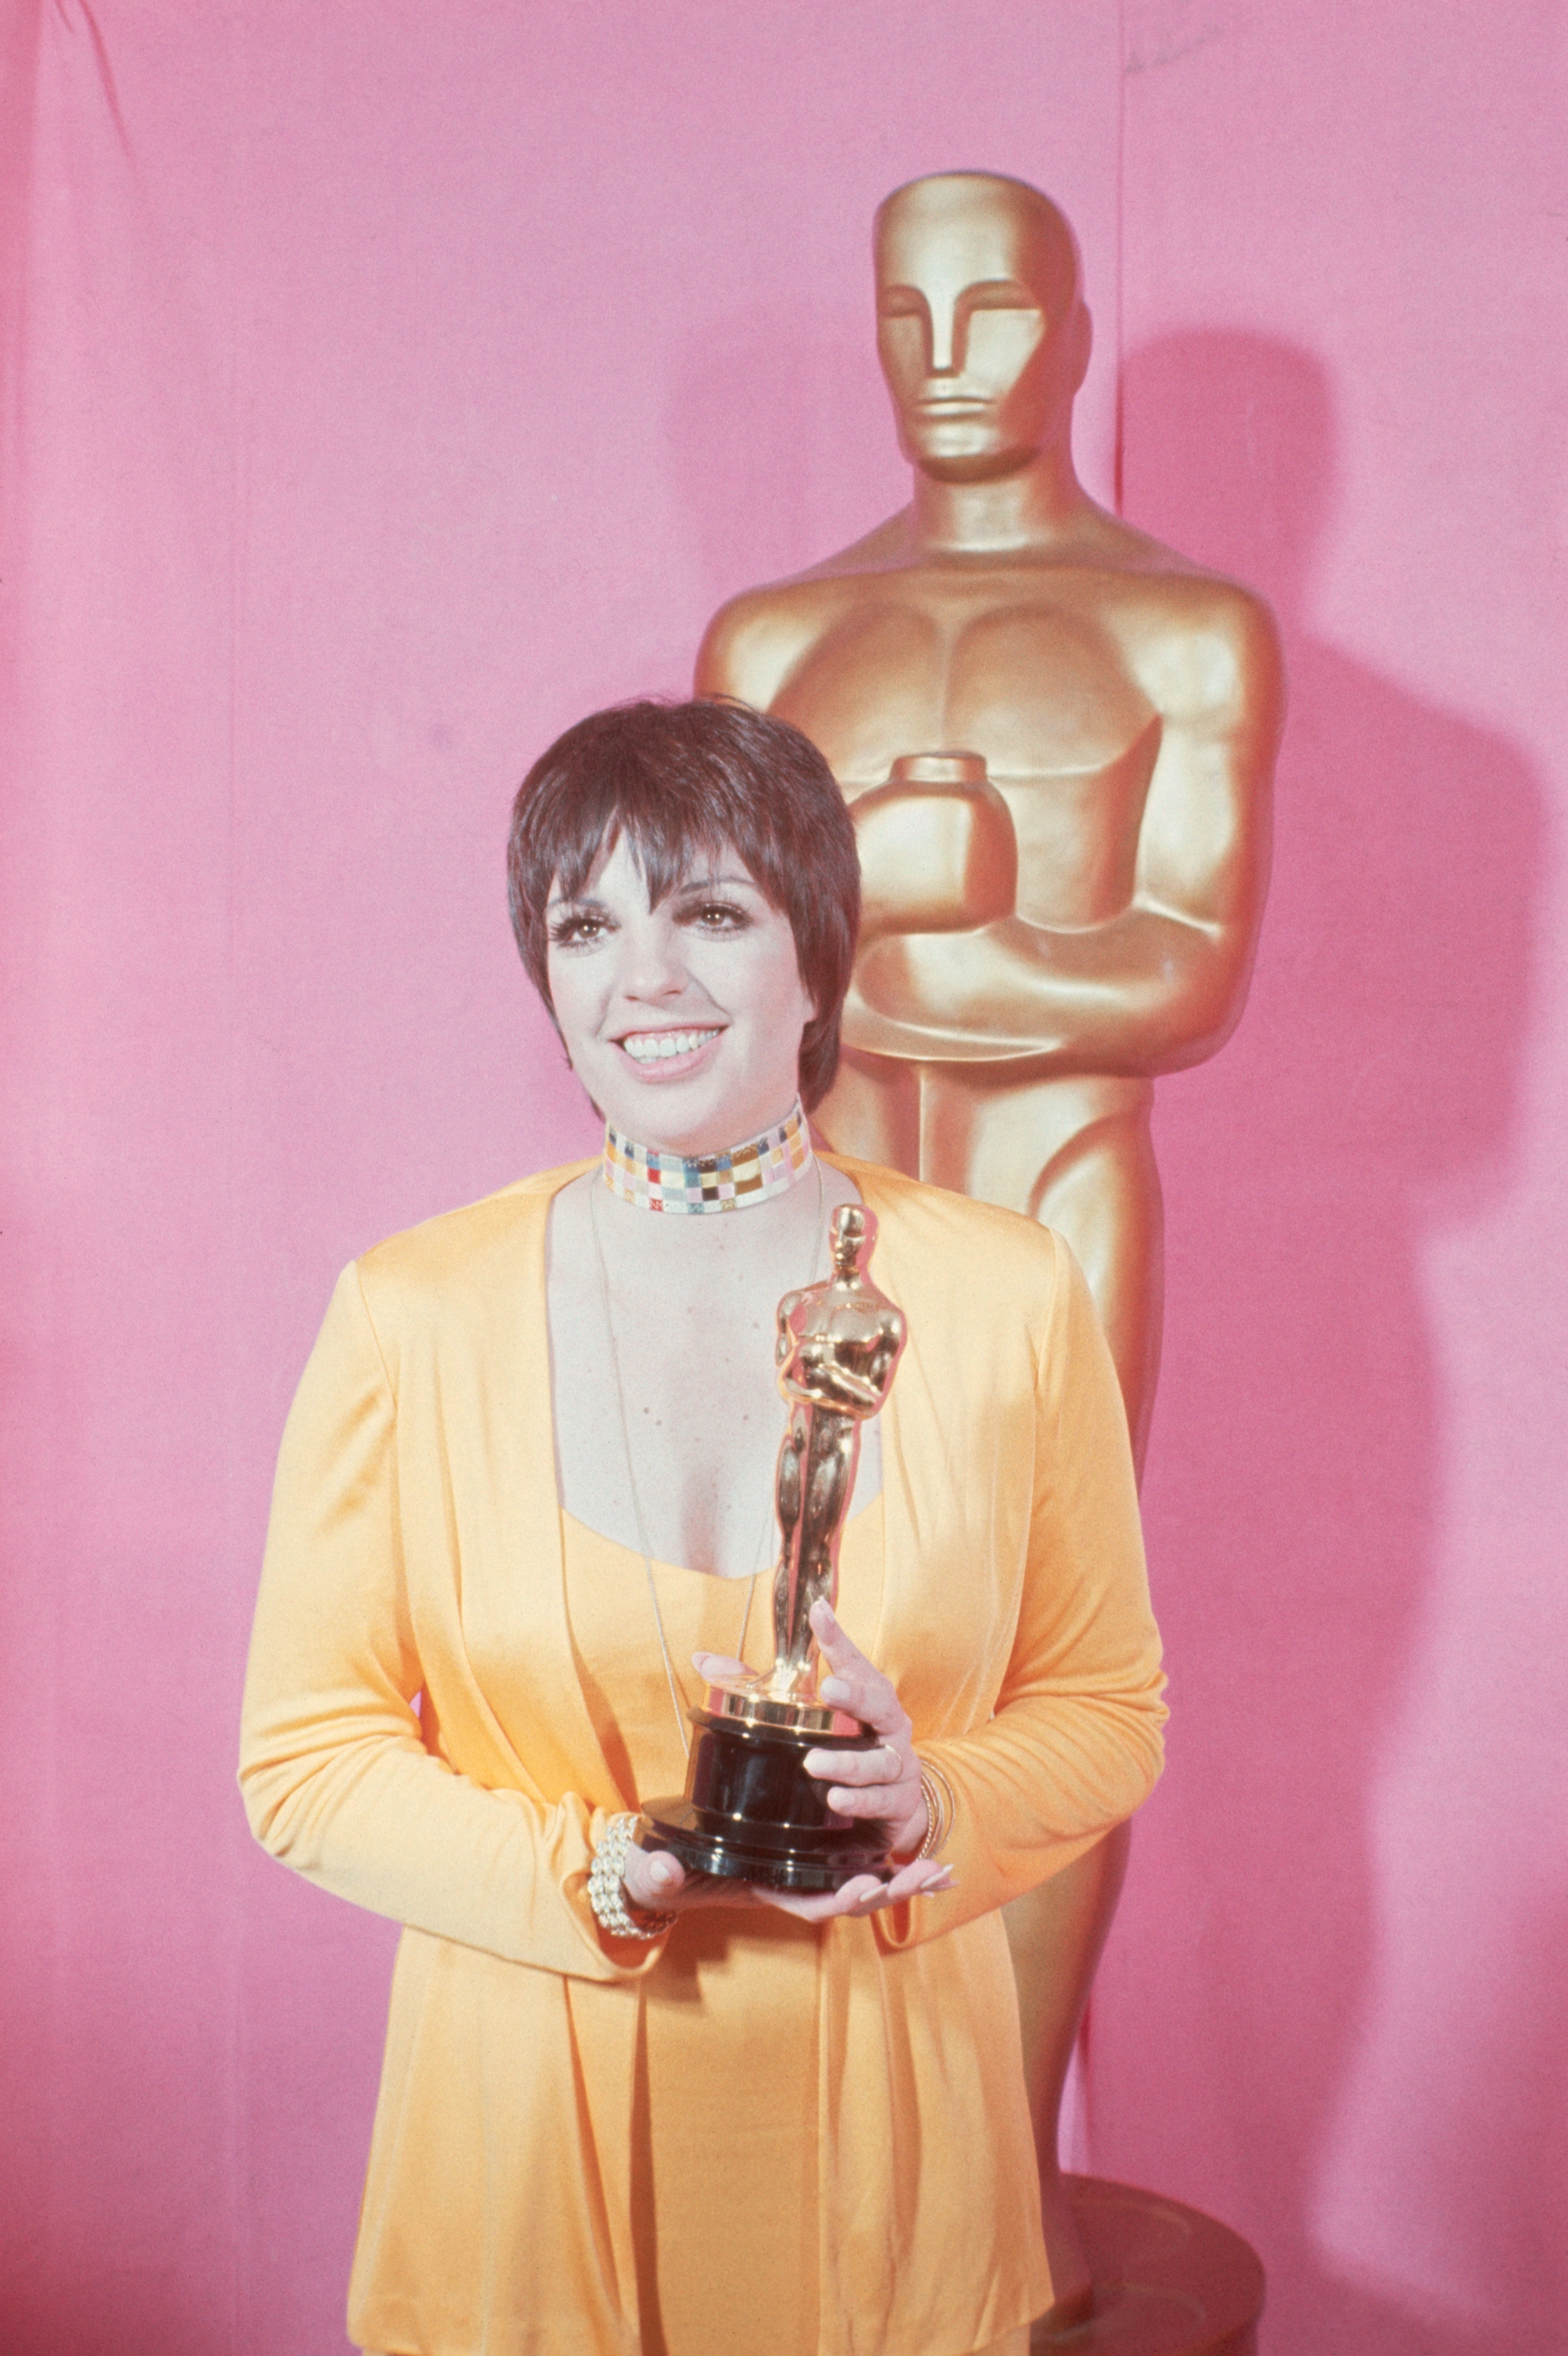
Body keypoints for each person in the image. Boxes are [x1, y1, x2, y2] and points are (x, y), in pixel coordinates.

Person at [238, 697, 1167, 2356]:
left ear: (819, 954)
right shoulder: (411, 1311)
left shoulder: (1009, 1293)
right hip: (523, 2162)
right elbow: (304, 1759)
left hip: (898, 2162)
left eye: (711, 912)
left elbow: (1110, 1713)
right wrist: (595, 1868)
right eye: (586, 923)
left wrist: (935, 1787)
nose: (641, 976)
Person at [695, 170, 1282, 2307]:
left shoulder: (1181, 628)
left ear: (1072, 325)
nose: (949, 365)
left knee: (1041, 1665)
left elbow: (1183, 977)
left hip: (1047, 1199)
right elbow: (716, 983)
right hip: (813, 1212)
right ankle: (847, 2170)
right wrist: (956, 916)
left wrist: (905, 903)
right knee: (798, 1653)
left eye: (995, 317)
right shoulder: (771, 637)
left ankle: (1002, 2190)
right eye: (904, 320)